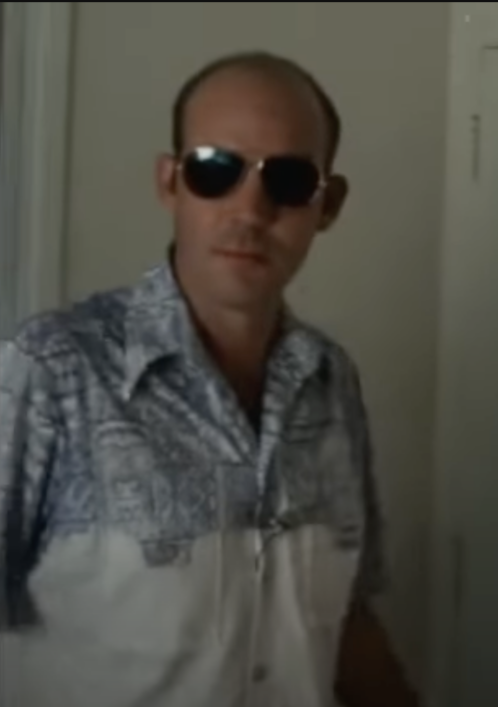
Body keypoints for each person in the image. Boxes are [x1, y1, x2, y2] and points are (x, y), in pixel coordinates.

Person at [0, 51, 420, 707]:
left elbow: (347, 621)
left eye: (286, 178)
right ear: (170, 182)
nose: (249, 209)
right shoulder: (53, 371)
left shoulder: (331, 380)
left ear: (327, 202)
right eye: (213, 170)